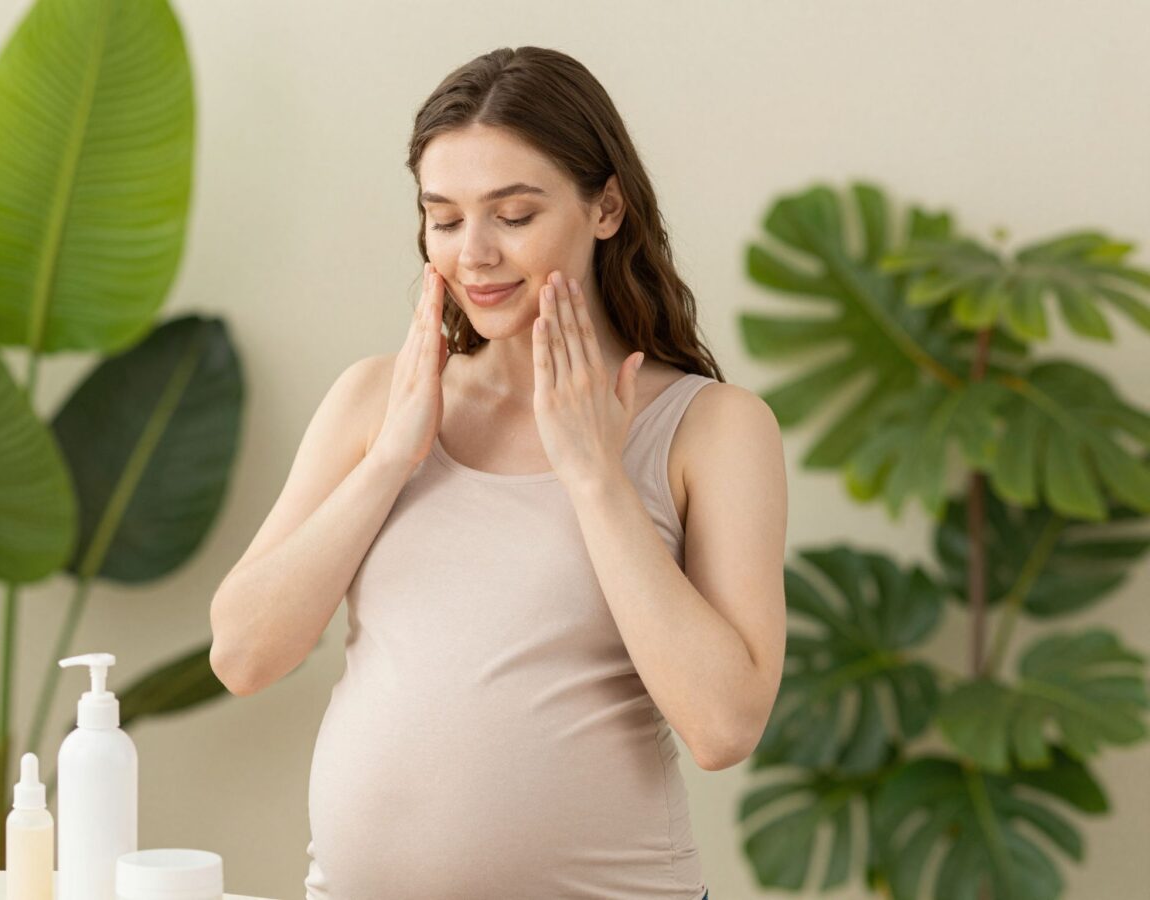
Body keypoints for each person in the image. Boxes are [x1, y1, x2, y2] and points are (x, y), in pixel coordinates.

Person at [210, 45, 787, 900]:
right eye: (443, 219)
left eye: (512, 215)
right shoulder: (378, 400)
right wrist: (391, 461)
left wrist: (596, 478)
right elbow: (244, 654)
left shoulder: (711, 429)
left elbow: (723, 726)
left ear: (607, 207)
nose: (472, 253)